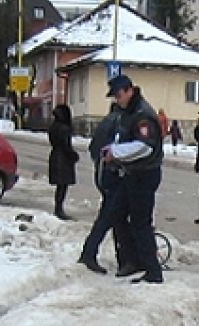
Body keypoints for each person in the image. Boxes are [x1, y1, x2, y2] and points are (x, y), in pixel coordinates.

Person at [98, 74, 165, 283]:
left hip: (144, 175)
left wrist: (116, 153)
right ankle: (131, 261)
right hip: (131, 174)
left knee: (140, 222)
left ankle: (152, 271)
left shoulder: (143, 114)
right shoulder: (129, 112)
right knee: (117, 215)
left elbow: (144, 147)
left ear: (129, 91)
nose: (117, 100)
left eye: (119, 95)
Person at [78, 102, 140, 276]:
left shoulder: (106, 122)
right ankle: (90, 253)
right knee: (109, 216)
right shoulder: (119, 123)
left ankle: (126, 259)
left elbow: (93, 149)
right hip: (113, 175)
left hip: (103, 174)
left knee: (116, 216)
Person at [47, 104, 78, 220]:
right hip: (63, 159)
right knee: (63, 185)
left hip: (55, 155)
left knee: (60, 185)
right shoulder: (64, 129)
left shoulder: (53, 126)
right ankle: (59, 209)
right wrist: (73, 156)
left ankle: (58, 208)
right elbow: (66, 145)